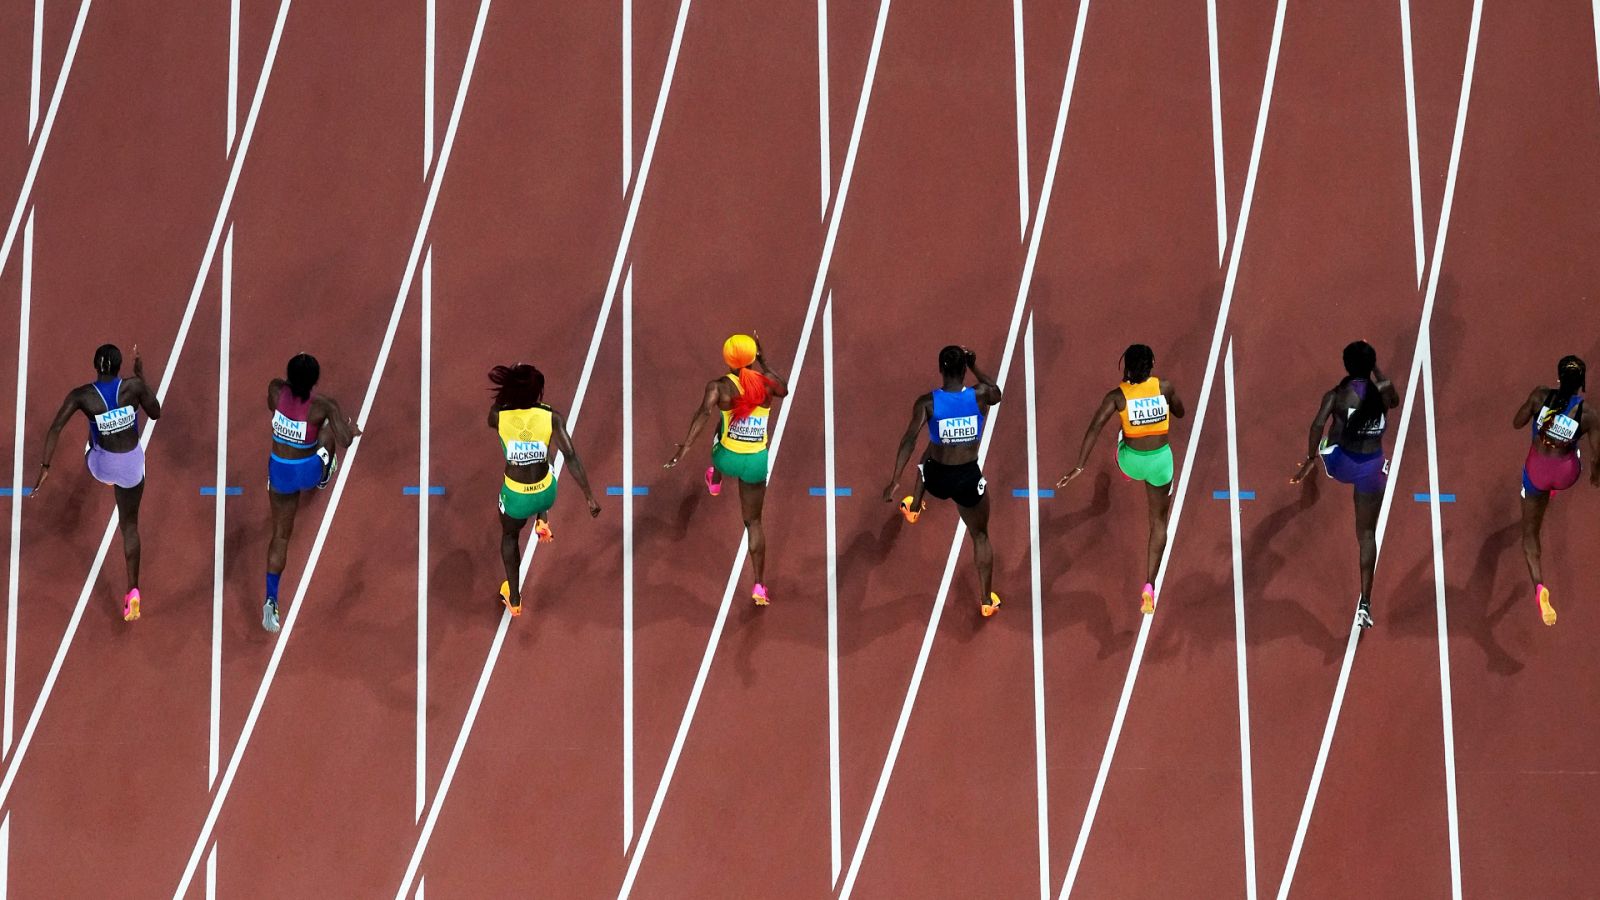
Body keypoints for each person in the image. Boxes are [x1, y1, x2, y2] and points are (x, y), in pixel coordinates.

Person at [32, 344, 162, 621]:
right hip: (130, 466)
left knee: (91, 443)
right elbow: (155, 412)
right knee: (129, 526)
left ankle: (104, 472)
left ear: (95, 364)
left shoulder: (82, 396)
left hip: (101, 467)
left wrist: (45, 467)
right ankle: (133, 591)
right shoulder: (133, 386)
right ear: (118, 367)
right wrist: (141, 376)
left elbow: (55, 428)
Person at [1057, 344, 1185, 615]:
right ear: (1151, 363)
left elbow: (1094, 428)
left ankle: (1127, 472)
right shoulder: (1164, 386)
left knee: (1120, 433)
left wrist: (1079, 467)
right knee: (1159, 522)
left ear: (1126, 366)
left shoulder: (1117, 396)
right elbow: (1181, 412)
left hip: (1131, 462)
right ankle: (1149, 585)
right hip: (1161, 463)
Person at [664, 333, 788, 605]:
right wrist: (764, 361)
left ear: (727, 359)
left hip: (726, 458)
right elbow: (784, 389)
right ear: (753, 357)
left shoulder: (718, 387)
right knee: (754, 522)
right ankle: (759, 585)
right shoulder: (767, 385)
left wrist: (684, 447)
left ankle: (716, 479)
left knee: (721, 429)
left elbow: (703, 414)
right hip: (755, 462)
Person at [882, 345, 1004, 616]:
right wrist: (975, 366)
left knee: (928, 453)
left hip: (937, 478)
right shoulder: (980, 395)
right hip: (968, 479)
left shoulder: (928, 403)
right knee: (981, 536)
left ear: (940, 369)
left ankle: (914, 508)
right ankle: (986, 600)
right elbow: (996, 391)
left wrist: (895, 479)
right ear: (963, 370)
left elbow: (909, 441)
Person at [1290, 340, 1400, 629]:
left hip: (1342, 464)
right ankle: (1365, 602)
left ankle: (1321, 462)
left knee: (1333, 435)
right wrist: (1375, 365)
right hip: (1372, 470)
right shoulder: (1384, 391)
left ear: (1346, 367)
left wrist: (1310, 458)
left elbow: (1316, 426)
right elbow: (1394, 398)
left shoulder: (1337, 395)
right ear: (1371, 366)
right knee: (1366, 534)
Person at [488, 363, 601, 616]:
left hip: (517, 498)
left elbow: (495, 410)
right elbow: (571, 457)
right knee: (546, 453)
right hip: (547, 493)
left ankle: (514, 598)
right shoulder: (552, 417)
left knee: (509, 537)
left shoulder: (499, 416)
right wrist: (589, 497)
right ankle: (542, 520)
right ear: (538, 393)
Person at [263, 353, 360, 632]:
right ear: (315, 381)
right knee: (326, 434)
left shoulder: (275, 389)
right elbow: (344, 440)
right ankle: (324, 475)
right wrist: (350, 430)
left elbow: (275, 406)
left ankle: (271, 598)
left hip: (280, 470)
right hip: (306, 470)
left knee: (280, 536)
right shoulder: (323, 406)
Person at [1510, 355, 1598, 626]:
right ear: (1581, 383)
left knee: (1530, 535)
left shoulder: (1540, 395)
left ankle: (1539, 587)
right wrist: (1596, 476)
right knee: (1576, 453)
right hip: (1566, 473)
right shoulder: (1589, 414)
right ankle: (1554, 488)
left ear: (1558, 378)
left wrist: (1537, 412)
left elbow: (1517, 422)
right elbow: (1598, 457)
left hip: (1537, 470)